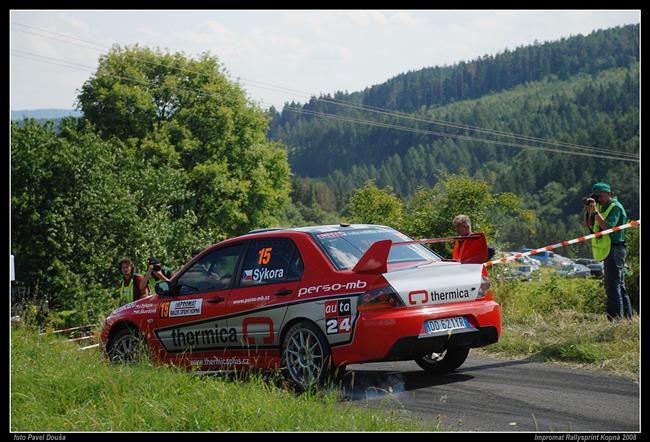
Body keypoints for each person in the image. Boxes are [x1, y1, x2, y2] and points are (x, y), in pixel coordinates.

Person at [582, 182, 632, 320]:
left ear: (609, 194)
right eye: (596, 196)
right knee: (619, 286)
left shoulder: (615, 207)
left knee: (612, 286)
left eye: (601, 196)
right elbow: (587, 224)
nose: (599, 199)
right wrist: (588, 210)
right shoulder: (599, 207)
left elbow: (606, 226)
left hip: (616, 248)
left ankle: (615, 319)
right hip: (608, 249)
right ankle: (627, 319)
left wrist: (596, 211)